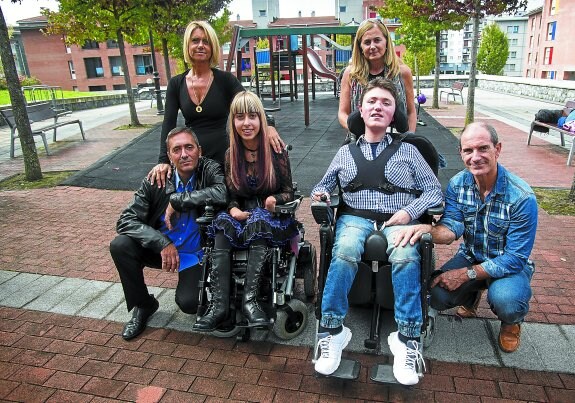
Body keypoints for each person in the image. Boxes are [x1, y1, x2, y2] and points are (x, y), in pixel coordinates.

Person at [311, 77, 443, 385]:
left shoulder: (409, 151)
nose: (377, 107)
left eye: (386, 102)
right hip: (355, 218)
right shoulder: (345, 153)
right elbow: (322, 186)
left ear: (394, 113)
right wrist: (320, 196)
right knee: (343, 251)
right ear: (361, 109)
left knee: (406, 257)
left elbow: (434, 192)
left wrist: (410, 212)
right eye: (372, 101)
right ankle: (332, 331)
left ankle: (407, 339)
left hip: (399, 219)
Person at [394, 122, 538, 354]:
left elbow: (515, 258)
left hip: (509, 265)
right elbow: (451, 227)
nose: (476, 157)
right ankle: (472, 295)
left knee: (507, 301)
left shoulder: (521, 197)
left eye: (483, 148)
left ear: (497, 149)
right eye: (468, 150)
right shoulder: (458, 184)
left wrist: (465, 275)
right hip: (472, 255)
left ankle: (512, 322)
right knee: (436, 296)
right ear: (460, 153)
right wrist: (425, 229)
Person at [193, 91, 298, 332]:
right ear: (233, 122)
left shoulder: (276, 150)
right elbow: (231, 195)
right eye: (240, 117)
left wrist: (274, 199)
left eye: (252, 116)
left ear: (261, 120)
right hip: (242, 214)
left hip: (271, 215)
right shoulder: (231, 154)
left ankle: (250, 302)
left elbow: (288, 191)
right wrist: (232, 209)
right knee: (221, 225)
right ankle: (218, 306)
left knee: (259, 221)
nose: (247, 123)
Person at [110, 127, 227, 340]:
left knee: (190, 304)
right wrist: (162, 243)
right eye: (177, 150)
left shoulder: (209, 169)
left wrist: (178, 201)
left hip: (195, 254)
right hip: (162, 249)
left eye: (189, 147)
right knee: (120, 245)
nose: (184, 154)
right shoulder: (157, 179)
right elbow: (125, 220)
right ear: (170, 156)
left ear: (199, 150)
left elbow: (221, 192)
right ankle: (143, 305)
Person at [147, 20, 285, 187]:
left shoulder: (224, 80)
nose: (200, 46)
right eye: (195, 40)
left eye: (206, 41)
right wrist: (163, 161)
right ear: (187, 45)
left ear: (212, 47)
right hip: (192, 159)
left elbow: (251, 104)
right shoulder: (177, 84)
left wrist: (269, 125)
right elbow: (168, 123)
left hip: (223, 156)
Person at [338, 18, 416, 133]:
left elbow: (411, 112)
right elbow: (342, 113)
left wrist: (410, 138)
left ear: (386, 42)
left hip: (396, 139)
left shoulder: (402, 72)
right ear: (360, 47)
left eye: (377, 40)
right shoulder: (351, 74)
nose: (372, 46)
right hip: (361, 139)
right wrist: (359, 131)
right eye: (367, 42)